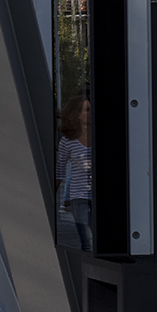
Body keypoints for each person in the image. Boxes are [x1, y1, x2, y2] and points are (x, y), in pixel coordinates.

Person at [56, 95, 93, 250]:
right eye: (87, 110)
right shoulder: (67, 141)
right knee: (88, 242)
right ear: (77, 115)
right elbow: (60, 170)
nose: (91, 113)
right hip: (80, 196)